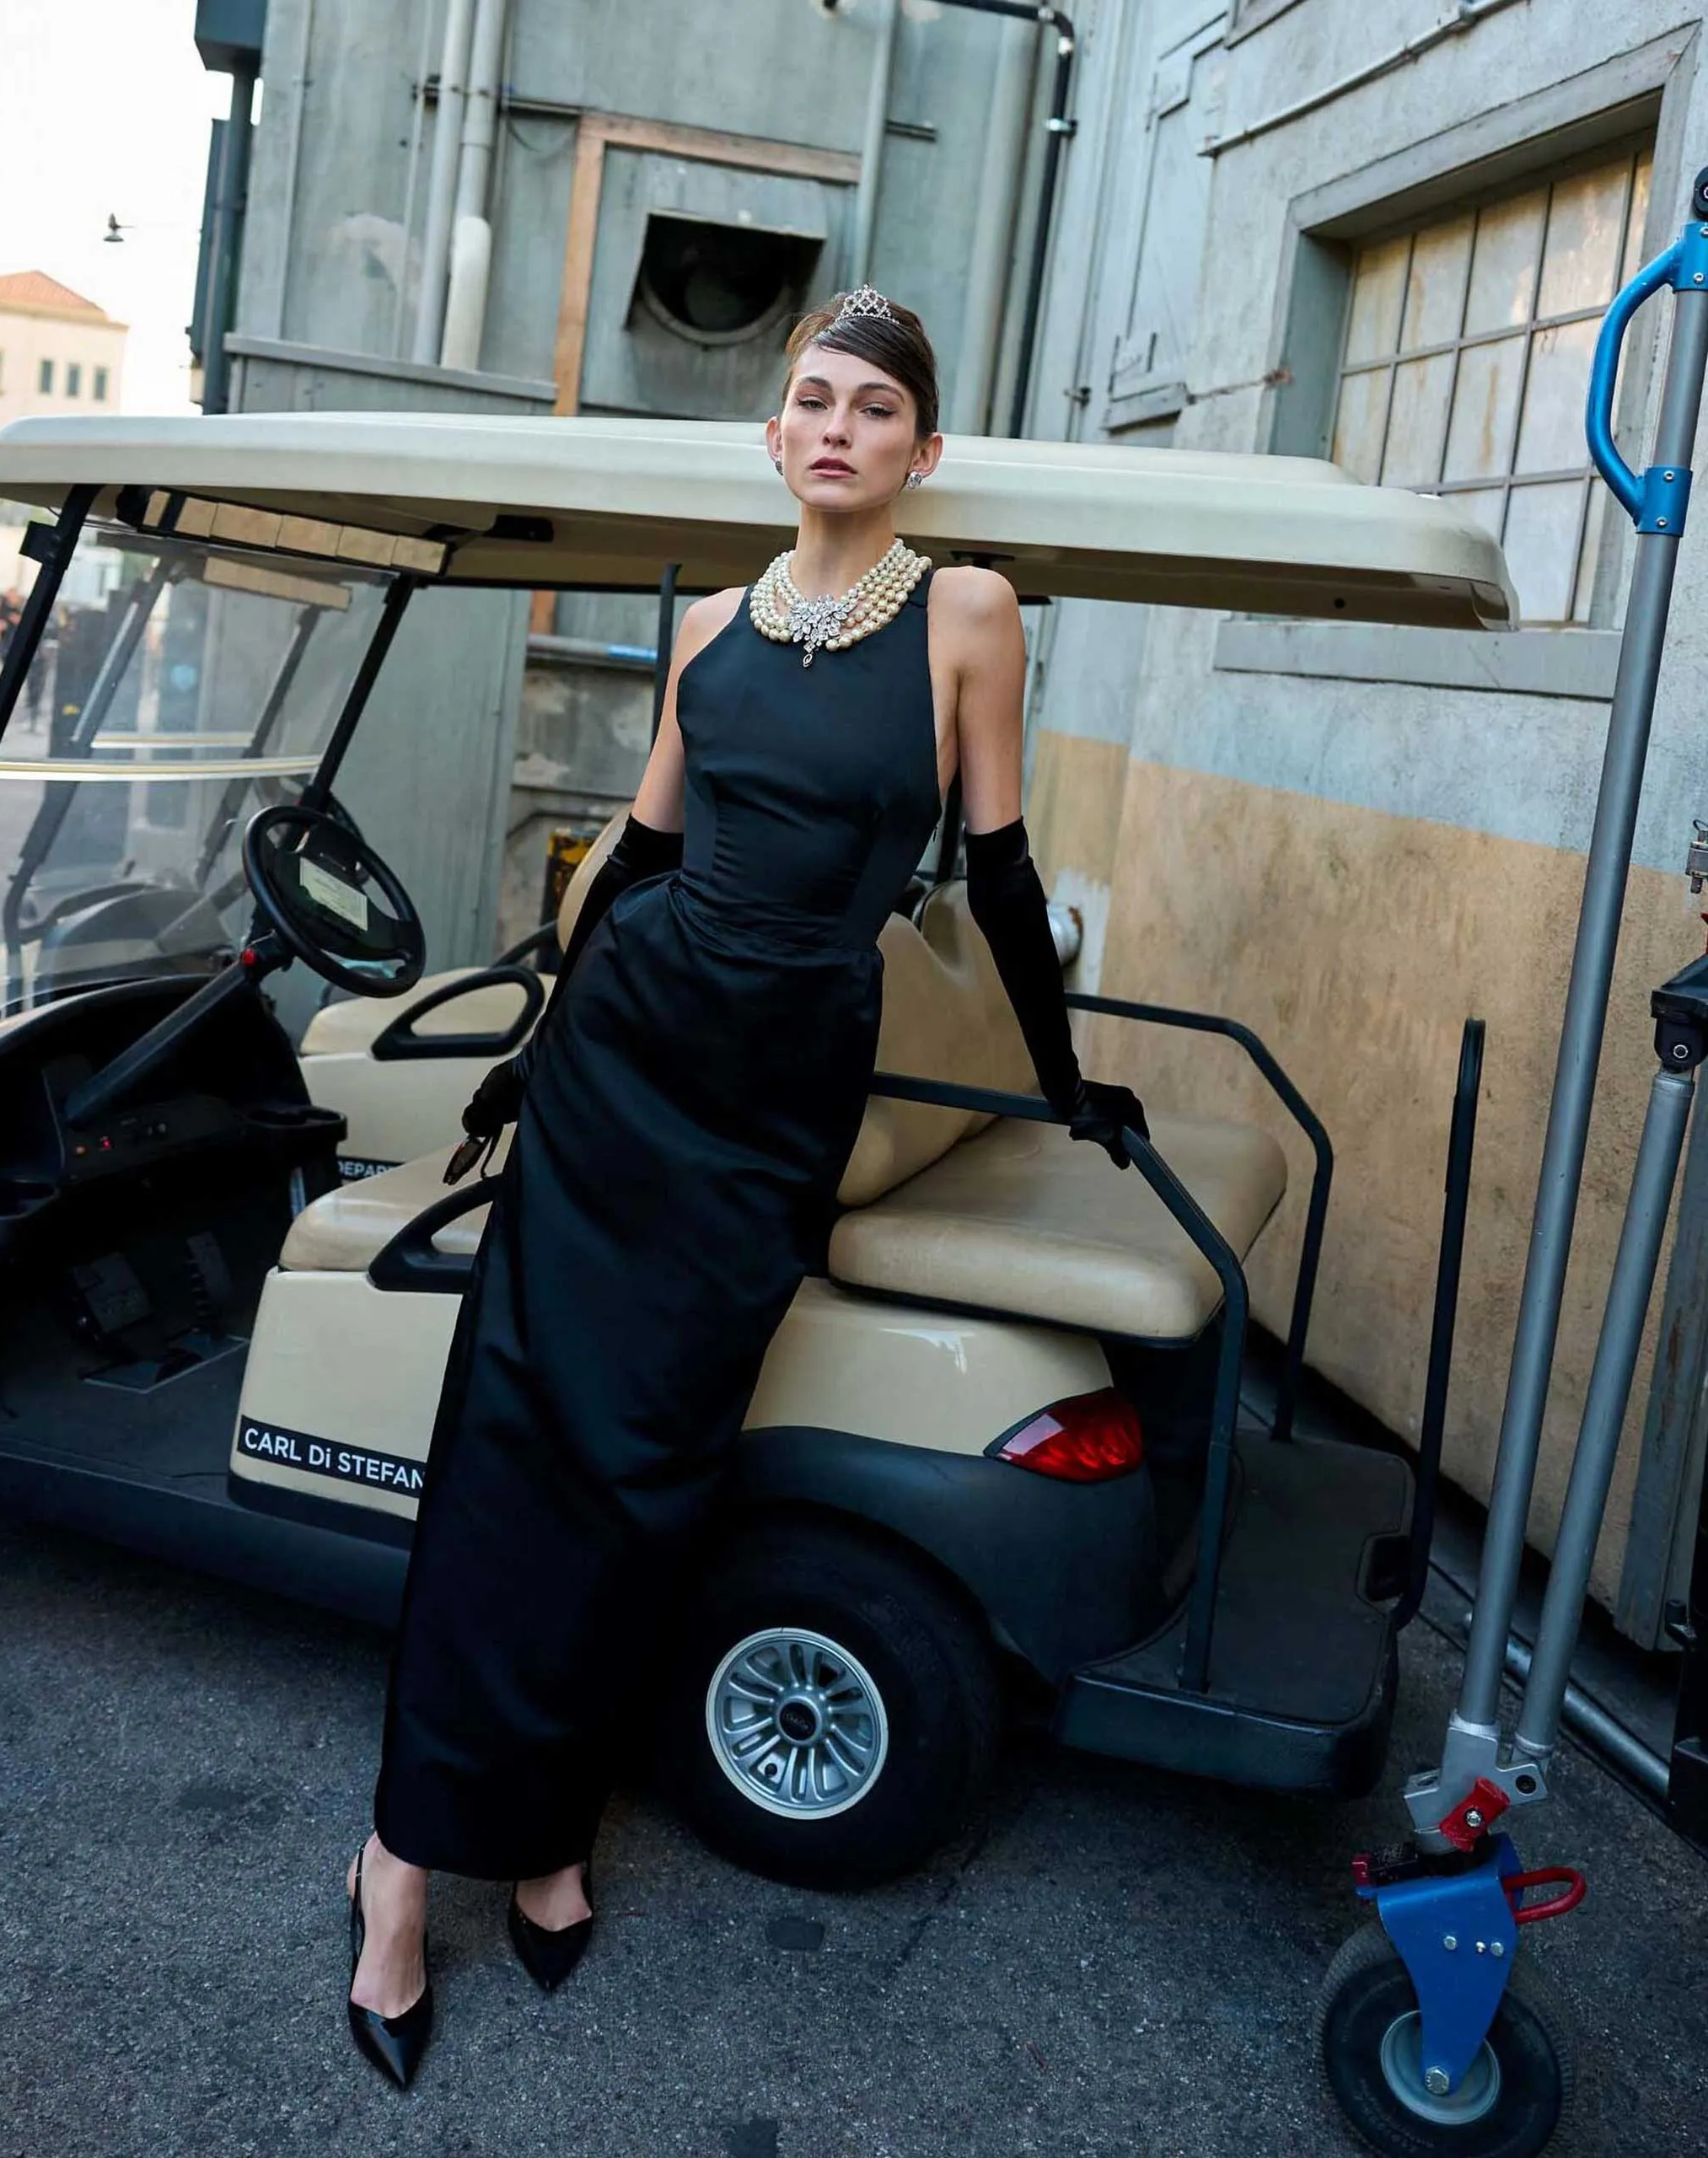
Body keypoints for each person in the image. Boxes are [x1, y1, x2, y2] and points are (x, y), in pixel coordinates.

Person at [343, 287, 1148, 2088]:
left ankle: (545, 1821)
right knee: (519, 1450)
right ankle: (402, 1861)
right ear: (775, 433)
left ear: (922, 448)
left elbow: (1003, 875)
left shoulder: (968, 614)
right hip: (620, 1063)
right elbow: (638, 858)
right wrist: (532, 1047)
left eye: (876, 406)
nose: (839, 426)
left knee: (649, 1478)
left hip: (775, 1089)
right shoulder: (708, 625)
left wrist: (1062, 1075)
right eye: (814, 398)